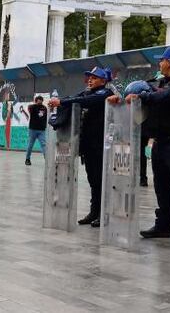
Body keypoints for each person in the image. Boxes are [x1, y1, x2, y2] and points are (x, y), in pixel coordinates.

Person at [114, 46, 170, 247]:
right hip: (160, 142)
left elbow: (164, 97)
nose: (159, 63)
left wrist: (142, 96)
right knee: (162, 187)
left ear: (169, 62)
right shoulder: (162, 82)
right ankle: (163, 225)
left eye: (161, 60)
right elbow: (145, 92)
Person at [49, 67, 114, 227]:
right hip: (89, 146)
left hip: (101, 146)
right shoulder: (88, 92)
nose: (90, 80)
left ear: (103, 81)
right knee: (93, 180)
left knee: (101, 180)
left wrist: (62, 102)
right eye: (89, 77)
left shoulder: (105, 94)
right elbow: (74, 97)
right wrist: (61, 101)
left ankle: (104, 214)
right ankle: (94, 212)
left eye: (94, 77)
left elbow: (85, 101)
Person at [22, 95, 48, 166]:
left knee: (44, 145)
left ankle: (47, 159)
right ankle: (27, 159)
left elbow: (44, 116)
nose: (40, 101)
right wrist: (35, 104)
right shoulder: (33, 107)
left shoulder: (44, 108)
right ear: (36, 100)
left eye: (41, 100)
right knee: (30, 145)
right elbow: (29, 108)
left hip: (41, 130)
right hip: (33, 129)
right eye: (38, 100)